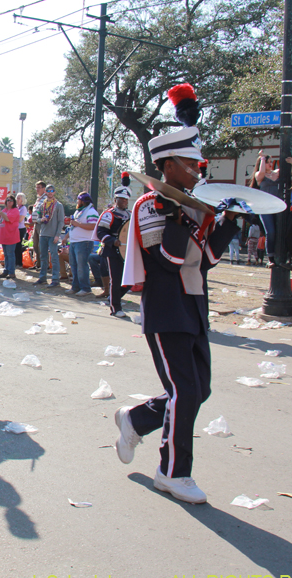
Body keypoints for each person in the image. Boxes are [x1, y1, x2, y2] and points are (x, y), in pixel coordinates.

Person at [117, 83, 240, 504]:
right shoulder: (150, 205)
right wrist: (179, 211)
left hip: (194, 305)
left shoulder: (190, 205)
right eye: (190, 163)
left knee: (197, 390)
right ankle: (172, 472)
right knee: (184, 391)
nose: (197, 169)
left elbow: (203, 261)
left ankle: (134, 419)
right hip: (166, 309)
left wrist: (228, 221)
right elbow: (170, 257)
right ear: (167, 165)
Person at [95, 178, 132, 315]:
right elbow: (101, 232)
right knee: (115, 280)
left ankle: (113, 297)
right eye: (121, 199)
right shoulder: (109, 214)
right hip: (112, 251)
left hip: (126, 251)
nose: (124, 202)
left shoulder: (130, 215)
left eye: (126, 200)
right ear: (116, 199)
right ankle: (115, 308)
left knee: (130, 280)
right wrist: (112, 240)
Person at [252, 151, 286, 266]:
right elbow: (261, 172)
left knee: (280, 231)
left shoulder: (275, 173)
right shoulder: (259, 175)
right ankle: (270, 257)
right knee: (270, 232)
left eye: (271, 162)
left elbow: (285, 169)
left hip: (277, 207)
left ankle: (281, 254)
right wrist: (262, 158)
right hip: (265, 208)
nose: (270, 164)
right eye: (268, 163)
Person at [67, 191, 99, 296]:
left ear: (82, 201)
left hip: (84, 242)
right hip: (74, 241)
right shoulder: (79, 211)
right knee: (74, 265)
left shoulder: (91, 212)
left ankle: (85, 288)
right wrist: (66, 237)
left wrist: (78, 224)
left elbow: (93, 226)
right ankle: (75, 287)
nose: (77, 201)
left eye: (78, 200)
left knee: (82, 266)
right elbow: (74, 225)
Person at [36, 183, 64, 286]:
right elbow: (37, 218)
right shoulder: (42, 205)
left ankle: (55, 279)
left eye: (52, 191)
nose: (50, 193)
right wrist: (41, 220)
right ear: (45, 192)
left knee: (54, 256)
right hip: (43, 234)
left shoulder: (58, 205)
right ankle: (42, 277)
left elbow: (61, 221)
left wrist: (57, 235)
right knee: (43, 256)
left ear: (54, 192)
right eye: (48, 191)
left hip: (53, 235)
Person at [0, 195, 20, 279]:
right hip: (4, 236)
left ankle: (11, 272)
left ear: (13, 202)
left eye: (10, 200)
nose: (9, 202)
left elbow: (7, 219)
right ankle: (6, 270)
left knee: (10, 254)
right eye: (7, 200)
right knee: (6, 255)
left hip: (11, 236)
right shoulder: (4, 210)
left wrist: (0, 212)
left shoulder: (15, 210)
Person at [31, 182, 47, 270]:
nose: (37, 189)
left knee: (41, 246)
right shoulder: (38, 199)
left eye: (39, 187)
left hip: (42, 224)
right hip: (35, 224)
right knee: (35, 245)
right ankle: (38, 264)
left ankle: (44, 265)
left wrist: (39, 220)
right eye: (36, 187)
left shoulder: (45, 199)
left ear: (44, 189)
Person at [16, 192, 27, 267]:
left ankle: (19, 262)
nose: (17, 199)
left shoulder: (23, 208)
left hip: (20, 228)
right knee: (14, 246)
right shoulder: (16, 207)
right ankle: (15, 261)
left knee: (18, 245)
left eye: (19, 198)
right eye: (17, 197)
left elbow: (20, 219)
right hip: (15, 228)